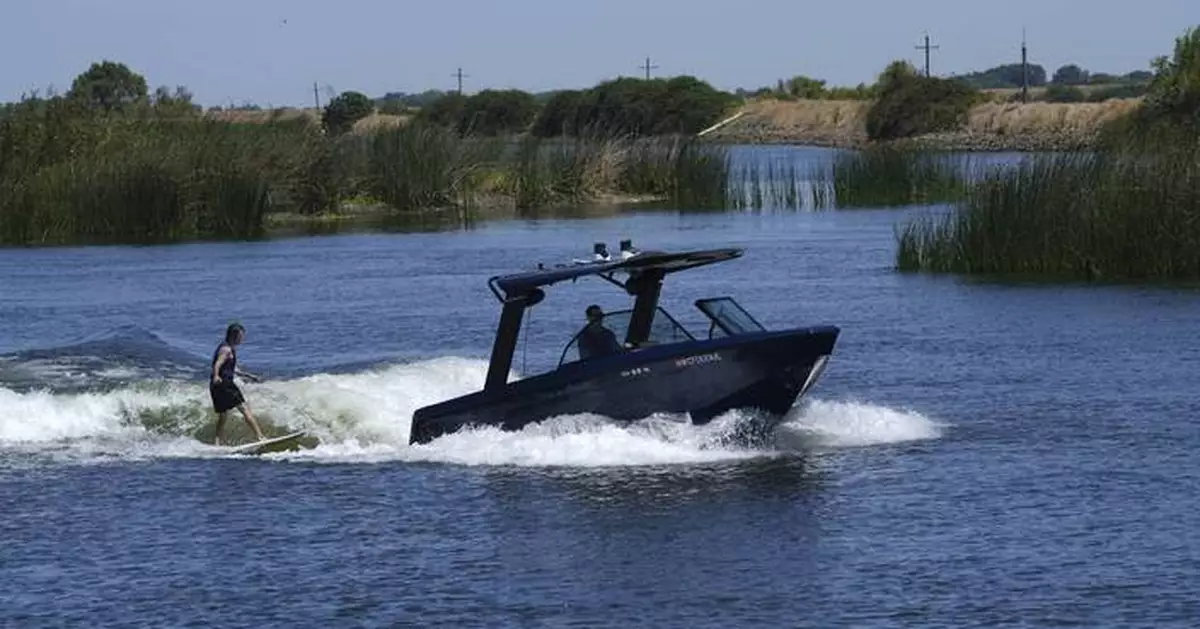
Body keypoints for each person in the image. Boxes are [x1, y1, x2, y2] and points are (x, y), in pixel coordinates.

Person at [210, 322, 267, 445]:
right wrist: (216, 375)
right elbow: (218, 364)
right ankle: (260, 437)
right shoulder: (226, 350)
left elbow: (232, 369)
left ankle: (217, 442)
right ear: (234, 336)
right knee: (245, 409)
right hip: (225, 384)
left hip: (216, 386)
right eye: (241, 336)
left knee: (223, 415)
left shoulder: (225, 347)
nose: (242, 339)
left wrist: (249, 376)